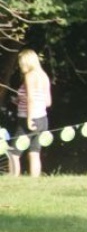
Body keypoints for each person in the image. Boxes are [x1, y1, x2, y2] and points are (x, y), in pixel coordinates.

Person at [8, 49, 52, 177]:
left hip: (29, 118)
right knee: (34, 152)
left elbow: (32, 98)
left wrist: (30, 118)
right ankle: (34, 181)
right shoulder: (44, 76)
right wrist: (19, 100)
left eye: (21, 63)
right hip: (43, 119)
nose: (20, 65)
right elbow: (48, 102)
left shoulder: (29, 76)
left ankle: (13, 179)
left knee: (14, 152)